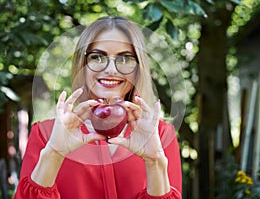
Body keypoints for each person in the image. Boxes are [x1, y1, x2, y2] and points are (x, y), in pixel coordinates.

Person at [14, 16, 182, 199]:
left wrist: (154, 161)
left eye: (125, 59)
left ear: (138, 68)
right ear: (82, 65)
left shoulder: (160, 135)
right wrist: (54, 153)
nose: (111, 69)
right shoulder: (46, 134)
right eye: (97, 57)